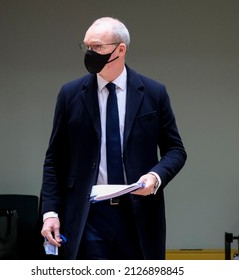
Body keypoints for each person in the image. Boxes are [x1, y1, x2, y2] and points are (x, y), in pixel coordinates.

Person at [40, 17, 187, 260]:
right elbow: (54, 159)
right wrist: (50, 212)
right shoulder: (70, 94)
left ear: (121, 49)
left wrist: (155, 176)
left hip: (138, 214)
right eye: (87, 47)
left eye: (97, 47)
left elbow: (176, 150)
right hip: (88, 216)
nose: (90, 53)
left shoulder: (153, 93)